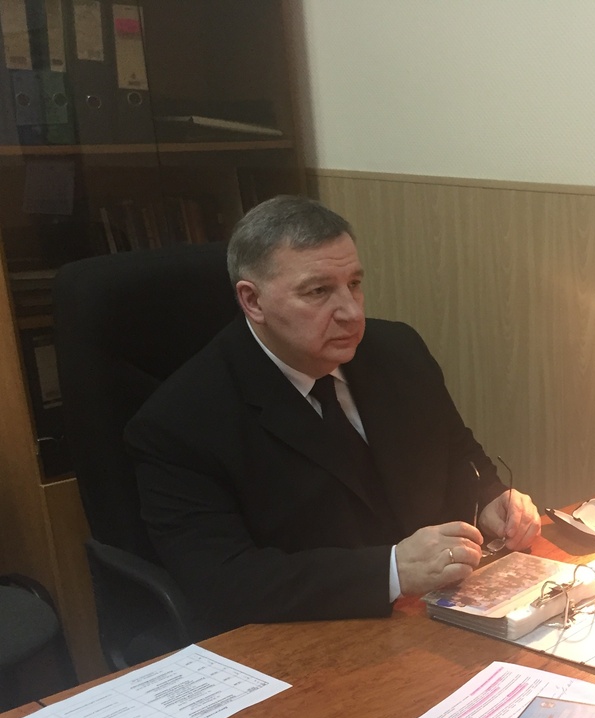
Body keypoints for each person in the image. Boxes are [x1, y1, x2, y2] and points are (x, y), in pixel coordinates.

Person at [126, 195, 540, 638]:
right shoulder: (179, 422)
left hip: (431, 616)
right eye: (318, 291)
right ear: (253, 301)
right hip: (304, 638)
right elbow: (223, 581)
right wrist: (391, 571)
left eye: (354, 283)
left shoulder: (398, 351)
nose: (352, 312)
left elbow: (456, 450)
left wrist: (490, 497)